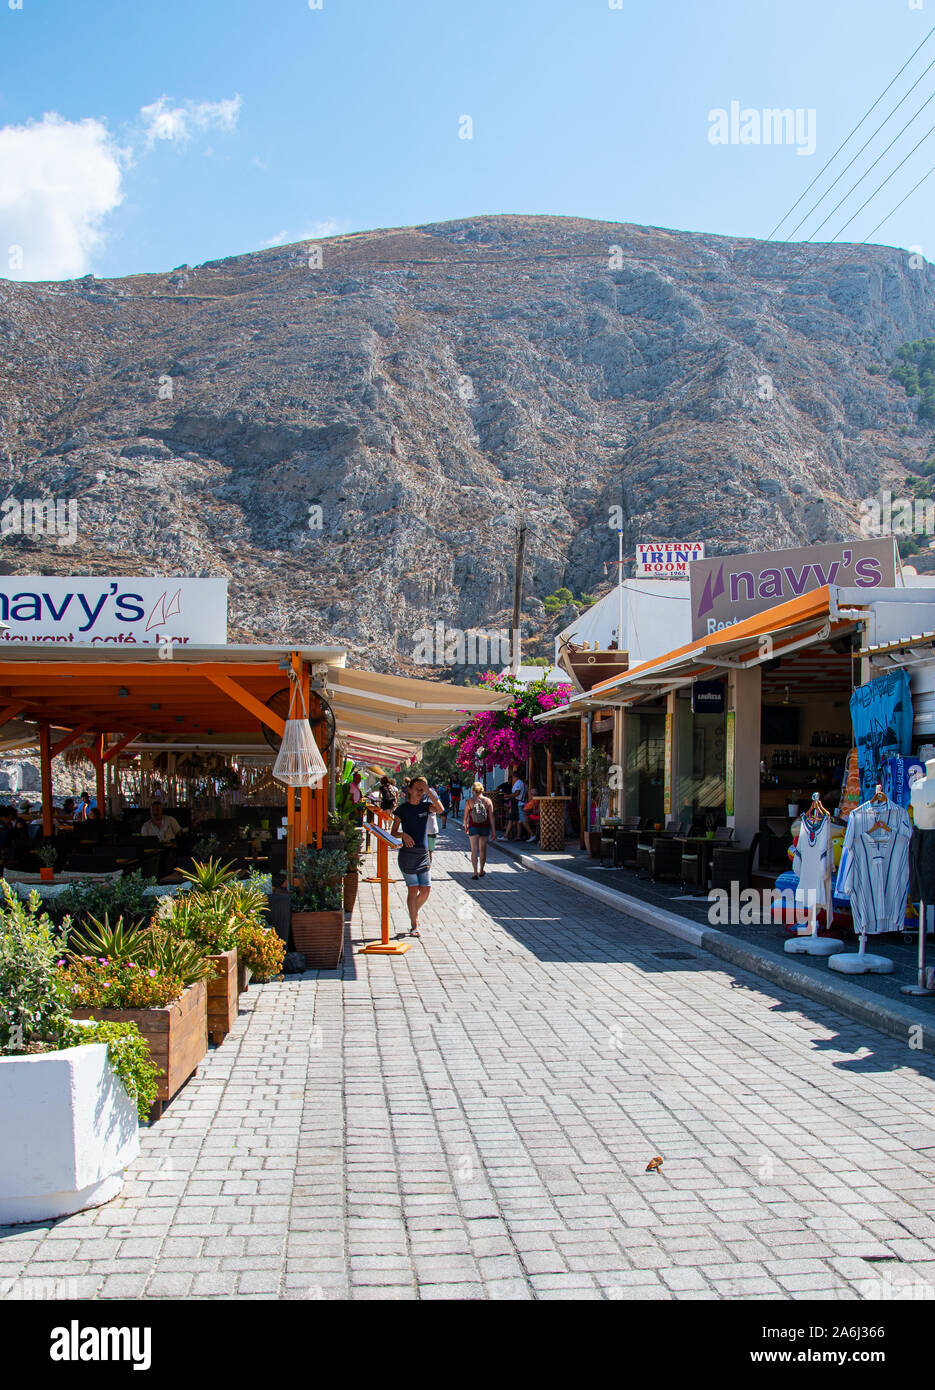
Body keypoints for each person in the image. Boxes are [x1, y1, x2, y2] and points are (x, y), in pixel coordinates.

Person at [391, 775, 445, 938]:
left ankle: (413, 912)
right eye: (418, 789)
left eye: (423, 790)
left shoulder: (426, 807)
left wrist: (429, 791)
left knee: (426, 890)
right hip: (407, 855)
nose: (420, 792)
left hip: (423, 854)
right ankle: (414, 924)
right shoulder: (402, 809)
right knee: (413, 889)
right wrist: (403, 835)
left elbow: (441, 809)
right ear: (409, 790)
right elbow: (393, 831)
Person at [463, 780, 495, 879]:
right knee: (483, 850)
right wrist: (493, 831)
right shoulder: (488, 801)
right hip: (485, 828)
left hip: (473, 827)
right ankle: (482, 870)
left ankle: (475, 872)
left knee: (474, 850)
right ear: (482, 790)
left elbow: (465, 817)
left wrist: (466, 827)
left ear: (473, 790)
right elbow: (491, 817)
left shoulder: (469, 802)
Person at [511, 766, 531, 841]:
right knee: (519, 821)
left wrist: (508, 796)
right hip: (520, 802)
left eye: (512, 777)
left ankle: (532, 834)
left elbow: (517, 793)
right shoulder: (520, 783)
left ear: (515, 777)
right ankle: (518, 836)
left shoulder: (519, 783)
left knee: (522, 820)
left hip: (520, 803)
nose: (512, 779)